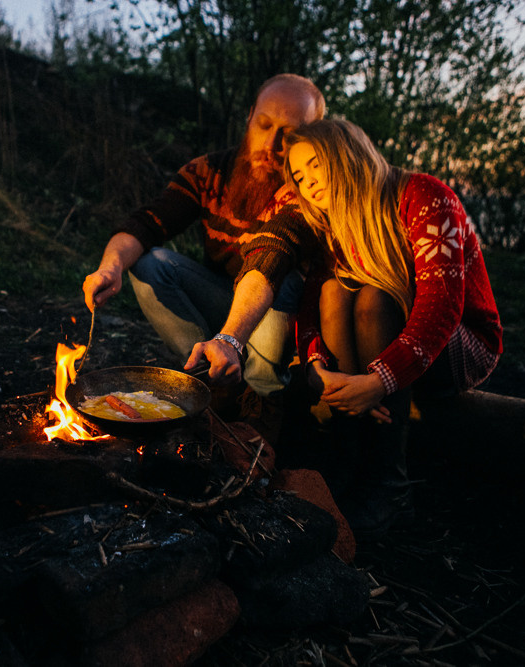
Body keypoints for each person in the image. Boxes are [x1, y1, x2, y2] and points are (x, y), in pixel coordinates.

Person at [284, 118, 503, 537]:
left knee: (373, 299)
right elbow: (312, 302)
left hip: (458, 346)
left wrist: (381, 380)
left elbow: (442, 306)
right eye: (298, 175)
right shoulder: (334, 223)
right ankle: (348, 459)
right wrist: (317, 365)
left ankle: (391, 488)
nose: (308, 181)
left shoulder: (423, 196)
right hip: (386, 357)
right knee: (333, 290)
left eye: (315, 164)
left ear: (346, 154)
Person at [81, 74, 326, 431]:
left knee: (286, 280)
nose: (271, 144)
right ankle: (205, 379)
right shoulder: (209, 171)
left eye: (288, 134)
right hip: (226, 301)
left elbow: (269, 256)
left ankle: (262, 401)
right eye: (264, 125)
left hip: (279, 322)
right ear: (249, 119)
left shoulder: (308, 190)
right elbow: (147, 222)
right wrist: (110, 267)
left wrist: (229, 339)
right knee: (151, 263)